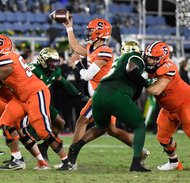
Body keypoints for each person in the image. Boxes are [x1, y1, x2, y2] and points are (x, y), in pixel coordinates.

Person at [0, 34, 73, 170]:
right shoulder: (5, 58)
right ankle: (17, 160)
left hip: (35, 94)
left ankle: (67, 162)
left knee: (43, 131)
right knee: (5, 122)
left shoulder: (7, 60)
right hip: (20, 97)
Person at [62, 18, 144, 170]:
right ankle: (141, 150)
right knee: (111, 130)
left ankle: (70, 161)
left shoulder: (104, 51)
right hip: (104, 93)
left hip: (104, 94)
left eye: (91, 31)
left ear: (99, 34)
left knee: (81, 122)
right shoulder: (92, 48)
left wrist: (76, 63)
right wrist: (69, 29)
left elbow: (87, 75)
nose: (88, 33)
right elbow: (75, 46)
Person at [26, 47, 89, 163]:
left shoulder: (55, 71)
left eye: (56, 61)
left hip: (42, 104)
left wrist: (79, 95)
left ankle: (44, 147)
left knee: (60, 123)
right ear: (42, 61)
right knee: (29, 134)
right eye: (51, 61)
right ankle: (16, 158)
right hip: (29, 104)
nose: (54, 64)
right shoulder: (33, 70)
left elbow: (64, 82)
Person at [144, 41, 190, 171]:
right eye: (148, 57)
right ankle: (174, 163)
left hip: (186, 103)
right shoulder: (149, 66)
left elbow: (156, 90)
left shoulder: (168, 67)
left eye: (153, 58)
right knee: (163, 137)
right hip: (169, 108)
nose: (149, 60)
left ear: (161, 59)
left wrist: (141, 79)